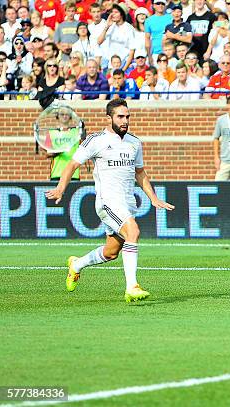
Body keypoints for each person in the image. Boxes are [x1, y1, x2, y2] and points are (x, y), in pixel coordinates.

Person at [45, 98, 175, 303]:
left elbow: (140, 173)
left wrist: (153, 198)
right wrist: (61, 188)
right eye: (120, 117)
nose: (125, 121)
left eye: (127, 116)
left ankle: (76, 265)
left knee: (111, 252)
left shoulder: (134, 142)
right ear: (109, 118)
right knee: (133, 231)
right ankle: (132, 286)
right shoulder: (96, 140)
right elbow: (71, 165)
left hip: (127, 203)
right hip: (107, 202)